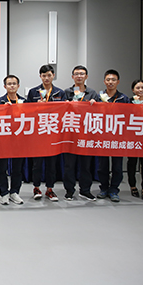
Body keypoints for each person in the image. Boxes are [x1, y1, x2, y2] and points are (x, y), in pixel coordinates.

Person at [26, 64, 66, 201]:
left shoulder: (60, 93)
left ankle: (50, 189)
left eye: (49, 75)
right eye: (44, 76)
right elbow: (27, 111)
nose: (46, 78)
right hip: (38, 133)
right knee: (37, 164)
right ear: (40, 76)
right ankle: (36, 188)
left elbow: (64, 111)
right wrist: (37, 107)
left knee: (51, 164)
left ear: (53, 75)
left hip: (53, 133)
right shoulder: (33, 92)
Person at [62, 65, 99, 201]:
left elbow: (100, 113)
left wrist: (95, 104)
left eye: (82, 74)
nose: (79, 76)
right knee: (69, 165)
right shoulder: (66, 92)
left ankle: (85, 190)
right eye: (76, 74)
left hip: (86, 135)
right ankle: (69, 191)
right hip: (70, 135)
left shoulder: (92, 93)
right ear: (72, 77)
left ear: (86, 76)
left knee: (86, 165)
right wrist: (65, 104)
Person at [97, 69, 130, 202]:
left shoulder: (124, 98)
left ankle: (114, 190)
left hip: (118, 137)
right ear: (104, 81)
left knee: (117, 166)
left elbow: (130, 116)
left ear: (118, 82)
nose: (110, 82)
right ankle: (104, 188)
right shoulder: (98, 97)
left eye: (113, 80)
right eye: (108, 80)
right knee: (102, 166)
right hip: (103, 136)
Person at [0, 74, 26, 205]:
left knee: (17, 168)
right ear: (5, 86)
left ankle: (14, 192)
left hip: (19, 140)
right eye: (9, 84)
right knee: (2, 168)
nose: (12, 86)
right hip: (3, 140)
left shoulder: (24, 102)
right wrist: (4, 110)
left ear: (18, 86)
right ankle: (4, 193)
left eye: (14, 84)